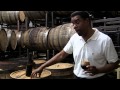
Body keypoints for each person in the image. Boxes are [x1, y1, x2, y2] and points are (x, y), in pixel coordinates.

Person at [31, 11, 119, 79]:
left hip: (98, 77)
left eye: (77, 22)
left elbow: (115, 64)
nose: (74, 26)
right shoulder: (75, 38)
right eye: (73, 23)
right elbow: (61, 55)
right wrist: (42, 66)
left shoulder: (104, 40)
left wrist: (98, 70)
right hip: (77, 76)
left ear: (87, 21)